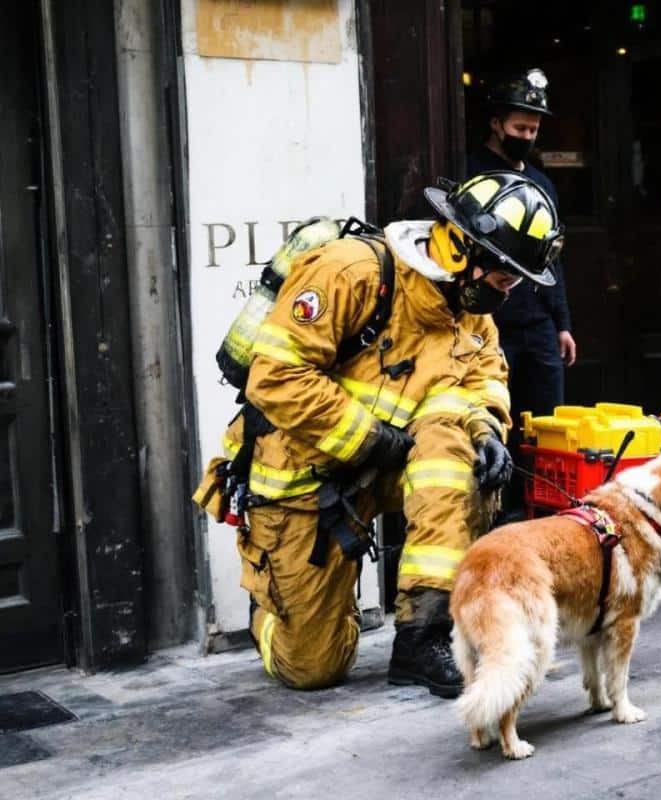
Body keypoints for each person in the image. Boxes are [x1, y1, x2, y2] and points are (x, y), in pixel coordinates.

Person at [194, 170, 564, 697]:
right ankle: (276, 609)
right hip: (305, 473)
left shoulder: (470, 309)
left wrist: (486, 429)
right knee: (312, 669)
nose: (510, 291)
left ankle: (423, 635)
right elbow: (275, 378)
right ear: (463, 250)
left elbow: (483, 379)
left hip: (392, 463)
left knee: (459, 454)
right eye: (505, 276)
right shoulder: (350, 273)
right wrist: (370, 439)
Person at [468, 68, 575, 520]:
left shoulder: (541, 181)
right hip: (493, 324)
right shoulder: (472, 174)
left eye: (533, 129)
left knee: (547, 426)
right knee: (500, 422)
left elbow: (551, 258)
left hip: (539, 324)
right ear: (497, 123)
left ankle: (543, 510)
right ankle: (502, 513)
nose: (527, 136)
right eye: (519, 128)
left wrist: (564, 323)